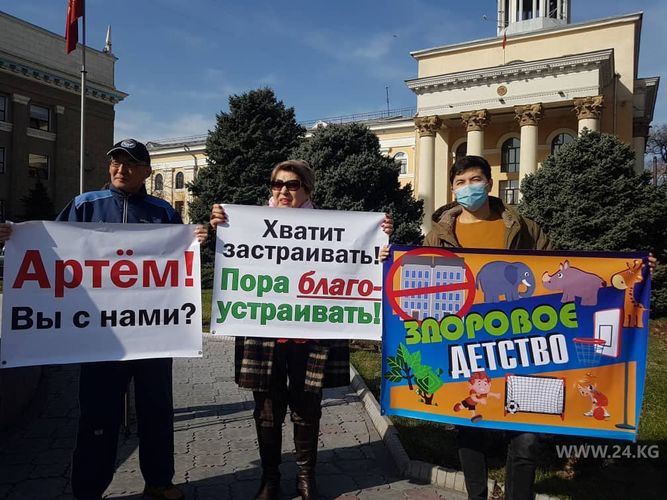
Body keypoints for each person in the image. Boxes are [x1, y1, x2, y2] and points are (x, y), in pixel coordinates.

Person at [424, 155, 655, 500]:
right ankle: (476, 495)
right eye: (460, 183)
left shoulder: (522, 227)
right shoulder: (440, 234)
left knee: (527, 431)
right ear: (453, 189)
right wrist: (386, 260)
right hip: (466, 340)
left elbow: (561, 268)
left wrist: (636, 268)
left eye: (474, 180)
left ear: (489, 183)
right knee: (470, 427)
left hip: (524, 341)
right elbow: (419, 273)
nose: (468, 188)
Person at [1, 138, 206, 500]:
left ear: (146, 171)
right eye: (116, 162)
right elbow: (50, 251)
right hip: (101, 337)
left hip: (153, 333)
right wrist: (14, 236)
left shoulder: (162, 212)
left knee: (157, 410)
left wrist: (196, 239)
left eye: (130, 164)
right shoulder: (85, 205)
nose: (121, 169)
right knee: (97, 415)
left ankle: (159, 481)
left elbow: (180, 263)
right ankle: (88, 488)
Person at [210, 159, 392, 500]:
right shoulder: (247, 224)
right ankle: (270, 478)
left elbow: (360, 261)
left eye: (292, 185)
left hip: (312, 333)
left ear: (307, 189)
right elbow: (228, 256)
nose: (283, 191)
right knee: (267, 410)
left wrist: (379, 245)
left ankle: (306, 477)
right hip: (263, 333)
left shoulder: (334, 228)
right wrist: (219, 227)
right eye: (277, 184)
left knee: (307, 407)